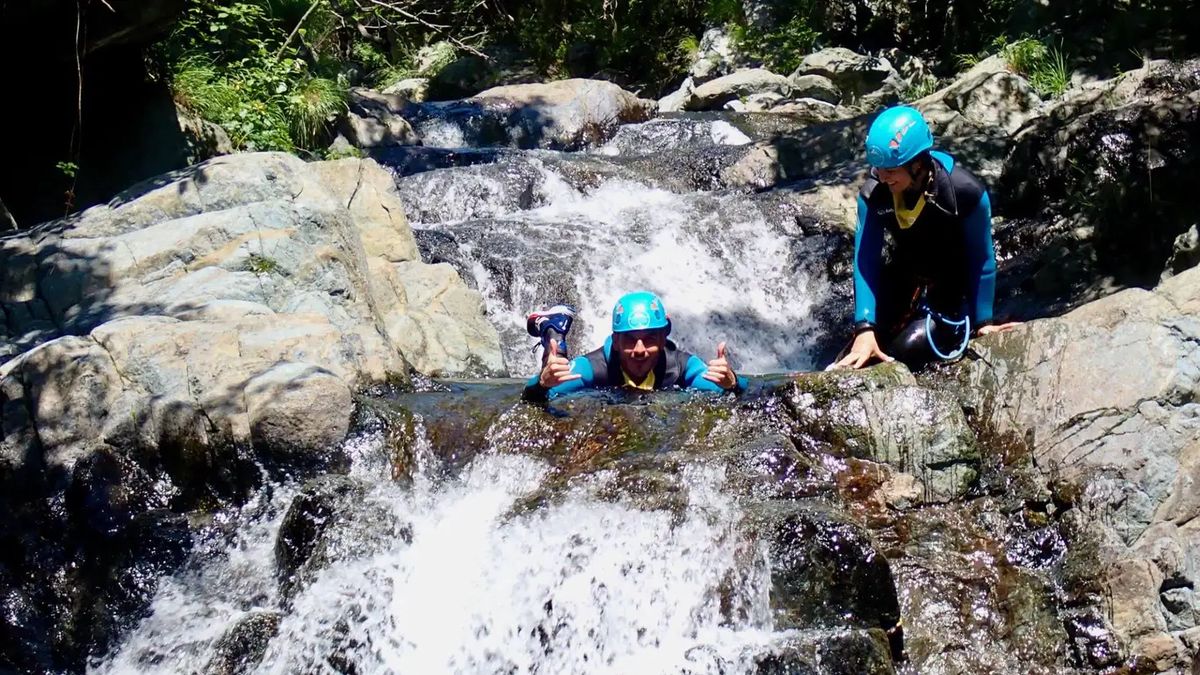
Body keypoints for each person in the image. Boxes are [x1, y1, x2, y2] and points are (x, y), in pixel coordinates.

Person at [830, 105, 1019, 371]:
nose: (882, 177)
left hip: (953, 287)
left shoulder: (965, 193)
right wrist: (864, 327)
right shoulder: (874, 193)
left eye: (891, 170)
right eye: (878, 168)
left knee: (905, 349)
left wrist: (983, 323)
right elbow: (866, 260)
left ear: (918, 164)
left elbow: (982, 260)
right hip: (905, 274)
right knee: (852, 357)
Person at [522, 291, 747, 401]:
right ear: (616, 341)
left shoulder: (680, 366)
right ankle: (553, 329)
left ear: (663, 338)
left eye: (649, 338)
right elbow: (534, 397)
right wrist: (542, 384)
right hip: (568, 360)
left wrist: (733, 382)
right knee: (555, 365)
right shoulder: (595, 367)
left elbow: (737, 390)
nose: (639, 349)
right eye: (630, 339)